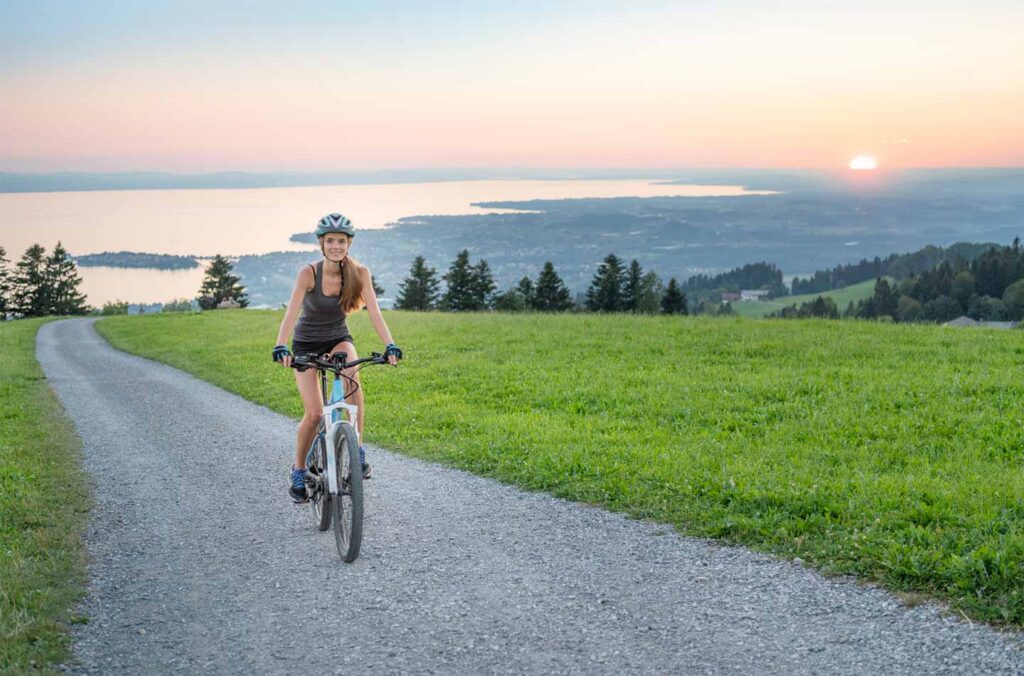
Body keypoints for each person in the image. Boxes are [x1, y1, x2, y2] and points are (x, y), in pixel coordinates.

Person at [272, 213, 402, 503]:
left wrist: (390, 345)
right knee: (315, 414)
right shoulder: (309, 273)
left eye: (341, 241)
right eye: (330, 241)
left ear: (349, 244)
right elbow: (291, 313)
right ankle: (298, 470)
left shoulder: (360, 273)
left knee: (354, 384)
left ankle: (358, 450)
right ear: (321, 243)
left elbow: (375, 313)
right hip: (306, 344)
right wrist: (281, 345)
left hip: (338, 339)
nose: (335, 246)